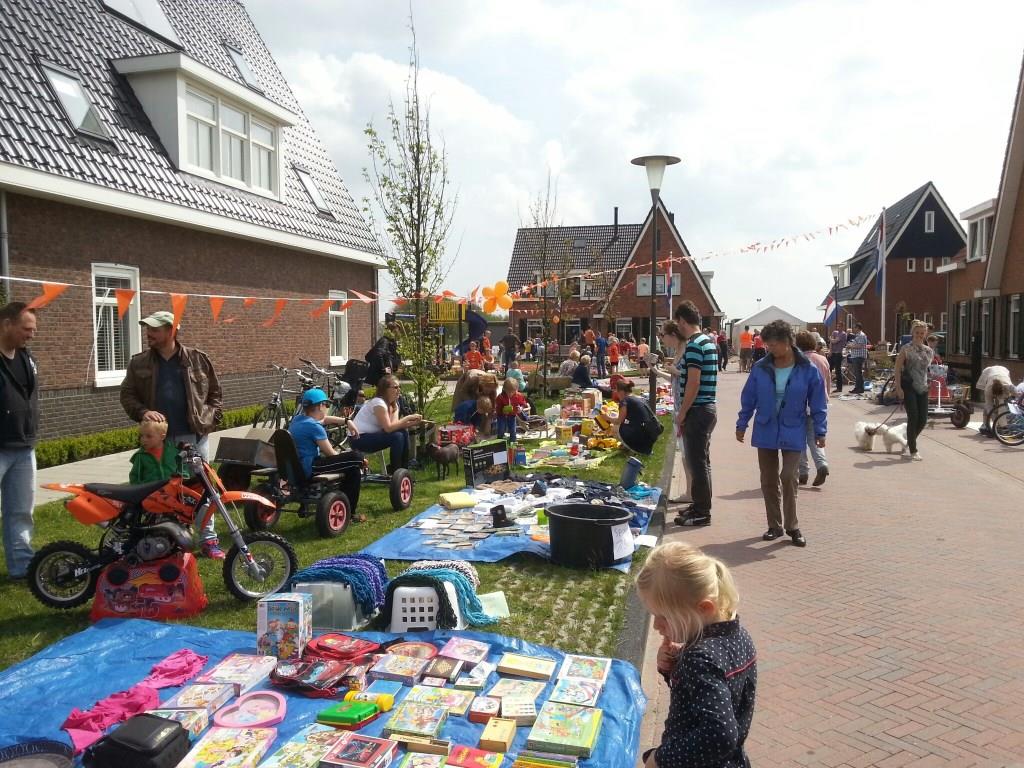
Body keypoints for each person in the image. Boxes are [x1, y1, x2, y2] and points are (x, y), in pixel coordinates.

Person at [636, 542, 757, 768]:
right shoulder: (739, 636)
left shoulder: (700, 659)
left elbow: (720, 735)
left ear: (704, 608)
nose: (656, 626)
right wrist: (674, 667)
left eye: (664, 617)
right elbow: (701, 695)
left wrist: (660, 758)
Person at [121, 310, 224, 559]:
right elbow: (127, 395)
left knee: (200, 490)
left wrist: (207, 420)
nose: (149, 334)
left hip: (193, 438)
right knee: (160, 492)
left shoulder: (198, 359)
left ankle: (208, 540)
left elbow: (215, 395)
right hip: (159, 441)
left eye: (155, 330)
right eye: (148, 329)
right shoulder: (139, 362)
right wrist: (144, 412)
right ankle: (164, 540)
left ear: (171, 331)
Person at [736, 320, 826, 547]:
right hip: (765, 427)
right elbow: (749, 397)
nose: (770, 348)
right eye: (767, 344)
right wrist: (742, 422)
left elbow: (818, 402)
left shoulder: (807, 369)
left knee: (788, 476)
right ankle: (774, 526)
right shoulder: (761, 367)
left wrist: (820, 430)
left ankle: (792, 526)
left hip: (794, 427)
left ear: (787, 341)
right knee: (768, 479)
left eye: (774, 344)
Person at [0, 302, 39, 579]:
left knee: (21, 512)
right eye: (26, 329)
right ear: (6, 324)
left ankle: (22, 567)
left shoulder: (27, 358)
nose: (31, 334)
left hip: (24, 447)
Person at [672, 301, 718, 528]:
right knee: (702, 461)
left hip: (698, 409)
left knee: (697, 463)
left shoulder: (693, 345)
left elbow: (693, 382)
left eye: (678, 323)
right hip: (707, 407)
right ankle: (700, 504)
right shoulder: (708, 341)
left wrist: (682, 412)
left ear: (682, 321)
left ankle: (702, 511)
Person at [288, 388, 363, 511]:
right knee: (356, 458)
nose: (328, 407)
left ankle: (347, 507)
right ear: (320, 406)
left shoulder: (297, 420)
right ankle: (349, 510)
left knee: (352, 464)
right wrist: (345, 454)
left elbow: (325, 419)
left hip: (297, 466)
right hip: (310, 468)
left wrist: (346, 421)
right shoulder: (315, 427)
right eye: (327, 405)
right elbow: (331, 454)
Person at [350, 374, 422, 470]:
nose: (399, 390)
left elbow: (395, 426)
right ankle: (395, 470)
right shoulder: (378, 402)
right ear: (385, 390)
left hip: (371, 436)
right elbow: (388, 428)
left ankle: (403, 471)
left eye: (399, 387)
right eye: (395, 387)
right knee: (397, 436)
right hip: (358, 439)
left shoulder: (394, 404)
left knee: (403, 432)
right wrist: (407, 418)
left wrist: (412, 423)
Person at [657, 321, 691, 503]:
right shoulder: (678, 352)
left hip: (685, 409)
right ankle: (690, 491)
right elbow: (675, 379)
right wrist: (657, 370)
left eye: (663, 335)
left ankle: (691, 492)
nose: (661, 339)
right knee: (684, 453)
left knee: (688, 453)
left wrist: (674, 371)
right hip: (679, 407)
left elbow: (690, 377)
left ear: (673, 335)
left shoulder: (686, 351)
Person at [892, 320, 933, 459]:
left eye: (922, 333)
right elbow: (897, 369)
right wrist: (898, 388)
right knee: (913, 417)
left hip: (923, 387)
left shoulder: (929, 351)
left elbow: (927, 370)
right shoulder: (906, 348)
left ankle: (909, 441)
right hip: (909, 386)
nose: (919, 335)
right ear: (912, 333)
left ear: (925, 334)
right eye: (917, 333)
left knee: (923, 420)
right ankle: (913, 450)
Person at [795, 330, 831, 487]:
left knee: (799, 439)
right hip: (820, 403)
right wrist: (826, 398)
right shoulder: (823, 359)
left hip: (802, 405)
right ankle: (821, 463)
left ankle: (803, 471)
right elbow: (828, 381)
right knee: (815, 437)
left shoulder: (799, 361)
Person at [611, 378, 664, 455]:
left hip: (642, 435)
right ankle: (635, 447)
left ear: (621, 391)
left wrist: (607, 417)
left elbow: (619, 421)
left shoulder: (624, 401)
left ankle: (632, 448)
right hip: (651, 433)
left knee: (615, 427)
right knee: (626, 424)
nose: (616, 393)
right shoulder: (638, 398)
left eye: (617, 390)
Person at [976, 364, 1014, 437]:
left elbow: (1015, 392)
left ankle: (1002, 425)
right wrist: (995, 422)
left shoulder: (1007, 385)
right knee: (988, 406)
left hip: (1003, 372)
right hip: (989, 376)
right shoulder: (988, 389)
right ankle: (985, 424)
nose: (996, 397)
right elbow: (989, 406)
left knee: (1001, 404)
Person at [846, 323, 869, 394]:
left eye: (854, 327)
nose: (853, 329)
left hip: (859, 356)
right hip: (855, 356)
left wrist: (850, 346)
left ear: (858, 328)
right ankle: (857, 388)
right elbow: (856, 344)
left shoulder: (861, 335)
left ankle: (860, 388)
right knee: (857, 373)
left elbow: (860, 346)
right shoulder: (858, 335)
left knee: (858, 373)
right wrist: (850, 345)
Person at [828, 328, 848, 394]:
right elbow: (831, 343)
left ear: (842, 326)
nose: (838, 327)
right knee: (828, 369)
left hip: (838, 353)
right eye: (838, 326)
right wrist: (830, 351)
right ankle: (827, 385)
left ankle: (839, 388)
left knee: (837, 371)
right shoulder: (834, 332)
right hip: (833, 353)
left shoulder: (843, 334)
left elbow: (834, 341)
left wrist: (830, 339)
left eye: (840, 326)